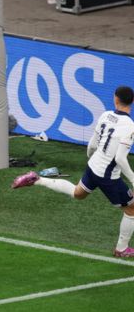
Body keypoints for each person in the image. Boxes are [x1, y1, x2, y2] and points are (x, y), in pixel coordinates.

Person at [12, 86, 134, 258]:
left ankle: (37, 179)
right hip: (107, 175)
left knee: (78, 193)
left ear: (115, 99)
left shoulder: (105, 115)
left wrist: (91, 161)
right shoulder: (129, 126)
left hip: (94, 165)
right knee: (131, 209)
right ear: (132, 101)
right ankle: (121, 249)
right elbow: (121, 159)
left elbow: (92, 144)